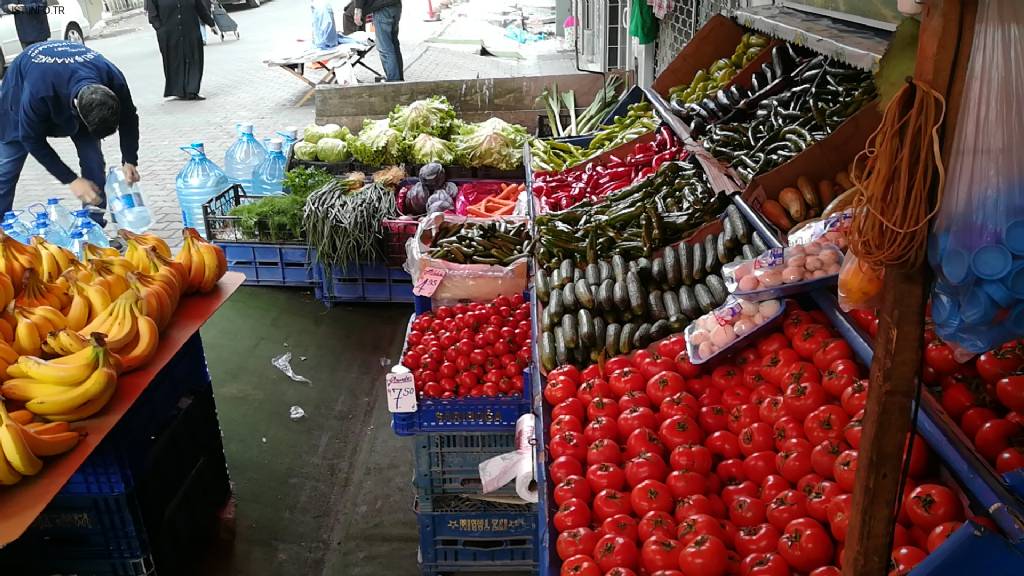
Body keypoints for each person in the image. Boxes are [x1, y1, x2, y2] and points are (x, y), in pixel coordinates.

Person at [0, 41, 140, 225]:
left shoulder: (112, 78)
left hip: (72, 88)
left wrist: (129, 159)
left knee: (94, 162)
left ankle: (92, 228)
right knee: (7, 170)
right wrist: (71, 180)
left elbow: (129, 117)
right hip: (22, 92)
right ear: (78, 110)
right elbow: (31, 139)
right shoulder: (38, 90)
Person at [144, 0, 217, 100]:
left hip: (191, 30)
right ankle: (178, 90)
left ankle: (192, 90)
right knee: (174, 60)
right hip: (169, 34)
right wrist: (160, 29)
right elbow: (152, 15)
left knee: (194, 59)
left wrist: (211, 23)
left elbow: (200, 8)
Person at [353, 0, 403, 82]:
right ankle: (398, 80)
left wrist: (358, 9)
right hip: (395, 5)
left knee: (385, 48)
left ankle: (394, 82)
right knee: (394, 45)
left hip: (382, 8)